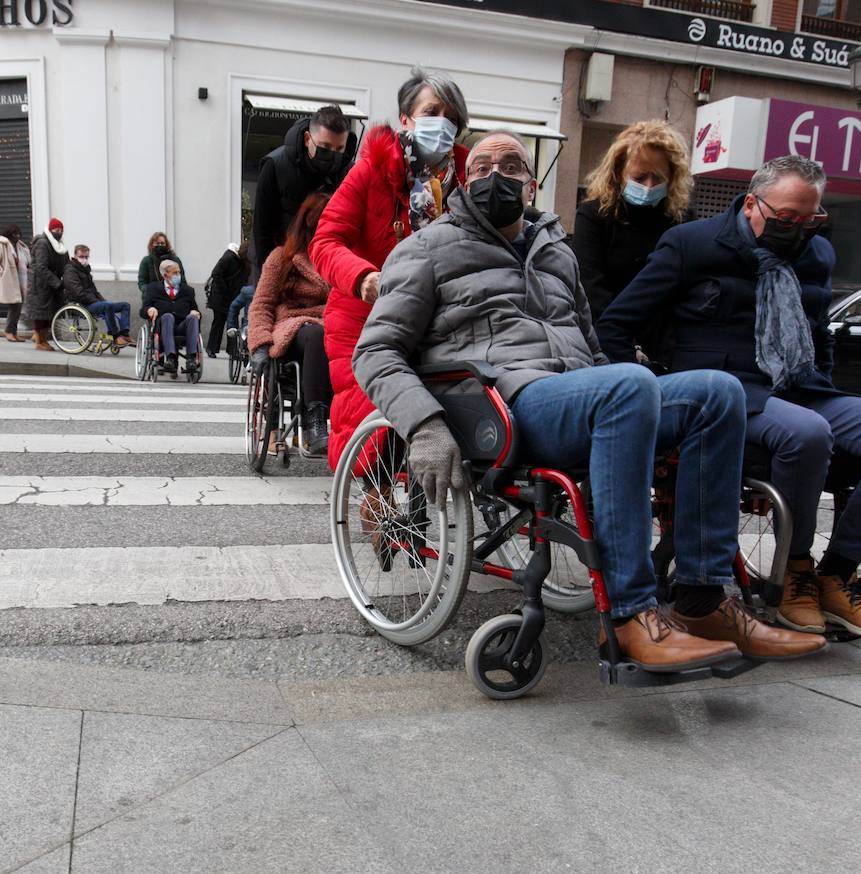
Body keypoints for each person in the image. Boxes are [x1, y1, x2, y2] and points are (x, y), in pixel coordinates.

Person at [352, 131, 826, 671]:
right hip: (504, 402)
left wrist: (628, 384)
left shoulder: (557, 250)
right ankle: (631, 616)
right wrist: (424, 425)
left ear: (532, 184)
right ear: (463, 180)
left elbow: (594, 348)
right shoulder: (425, 249)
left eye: (510, 166)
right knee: (628, 387)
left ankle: (703, 600)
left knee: (718, 393)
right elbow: (377, 351)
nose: (494, 176)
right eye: (481, 167)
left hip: (580, 391)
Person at [596, 155, 861, 641]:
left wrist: (823, 376)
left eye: (809, 219)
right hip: (726, 393)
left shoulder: (816, 254)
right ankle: (794, 574)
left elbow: (820, 332)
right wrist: (646, 393)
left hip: (800, 387)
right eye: (786, 219)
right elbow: (615, 324)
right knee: (807, 432)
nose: (797, 230)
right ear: (753, 204)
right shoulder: (690, 244)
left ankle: (837, 575)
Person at [310, 67, 471, 472]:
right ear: (405, 119)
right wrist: (362, 277)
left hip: (440, 316)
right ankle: (379, 498)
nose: (442, 124)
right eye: (431, 111)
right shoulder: (370, 171)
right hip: (365, 317)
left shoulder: (467, 181)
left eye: (452, 117)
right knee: (379, 416)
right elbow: (326, 242)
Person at [572, 120, 692, 365]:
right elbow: (592, 288)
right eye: (639, 177)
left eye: (657, 178)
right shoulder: (593, 215)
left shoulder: (681, 220)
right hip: (605, 340)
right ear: (619, 173)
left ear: (672, 178)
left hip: (665, 345)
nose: (648, 186)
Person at [248, 193, 334, 458]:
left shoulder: (336, 257)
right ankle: (315, 423)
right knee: (316, 334)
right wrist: (260, 343)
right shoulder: (281, 258)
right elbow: (261, 303)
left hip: (332, 323)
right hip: (294, 328)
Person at [251, 105, 355, 276]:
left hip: (324, 267)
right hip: (277, 260)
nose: (332, 155)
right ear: (308, 139)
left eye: (339, 150)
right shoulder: (275, 165)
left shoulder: (348, 172)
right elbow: (262, 226)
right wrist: (269, 272)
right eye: (325, 147)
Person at [63, 244, 133, 348]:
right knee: (107, 306)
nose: (84, 259)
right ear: (75, 256)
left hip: (92, 301)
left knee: (125, 305)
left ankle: (124, 334)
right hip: (82, 304)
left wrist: (103, 301)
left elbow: (95, 291)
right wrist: (98, 302)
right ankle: (115, 337)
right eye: (81, 257)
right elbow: (78, 293)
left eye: (86, 257)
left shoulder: (85, 270)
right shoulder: (70, 271)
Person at [140, 259, 201, 376]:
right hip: (164, 326)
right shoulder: (153, 288)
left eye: (179, 273)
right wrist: (149, 309)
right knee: (167, 316)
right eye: (175, 273)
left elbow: (195, 308)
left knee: (192, 318)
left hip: (183, 326)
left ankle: (191, 359)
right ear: (165, 275)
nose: (178, 275)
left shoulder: (188, 290)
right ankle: (171, 358)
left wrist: (196, 312)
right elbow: (143, 310)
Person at [26, 218, 69, 351]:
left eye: (61, 230)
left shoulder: (59, 245)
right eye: (57, 230)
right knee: (41, 314)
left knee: (50, 313)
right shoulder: (43, 243)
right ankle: (40, 341)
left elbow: (66, 264)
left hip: (51, 285)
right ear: (51, 230)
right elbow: (41, 267)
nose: (59, 232)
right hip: (40, 285)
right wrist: (57, 283)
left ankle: (38, 336)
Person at [204, 241, 249, 357]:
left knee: (231, 322)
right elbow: (216, 273)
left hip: (232, 297)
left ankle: (232, 351)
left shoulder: (244, 263)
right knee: (219, 322)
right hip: (220, 297)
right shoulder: (229, 257)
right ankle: (212, 349)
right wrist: (226, 290)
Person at [0, 224, 31, 342]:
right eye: (15, 234)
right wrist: (2, 274)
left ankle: (14, 333)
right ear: (9, 234)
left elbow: (26, 261)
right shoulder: (1, 245)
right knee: (14, 307)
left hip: (19, 280)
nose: (17, 236)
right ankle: (8, 332)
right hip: (10, 280)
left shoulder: (19, 245)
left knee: (17, 307)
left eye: (18, 234)